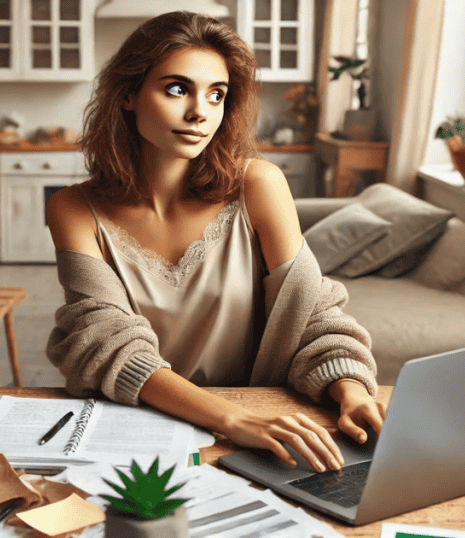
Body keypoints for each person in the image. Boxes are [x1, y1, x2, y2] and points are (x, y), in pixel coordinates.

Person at [45, 11, 385, 473]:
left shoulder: (258, 186)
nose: (199, 112)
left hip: (260, 442)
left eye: (216, 94)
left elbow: (311, 315)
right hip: (137, 431)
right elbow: (106, 345)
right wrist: (235, 419)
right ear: (127, 94)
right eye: (177, 89)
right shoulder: (73, 208)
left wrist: (352, 392)